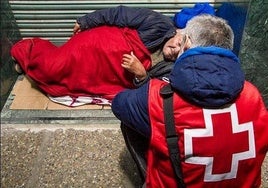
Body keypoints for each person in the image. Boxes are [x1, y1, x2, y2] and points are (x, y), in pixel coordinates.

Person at [112, 14, 268, 187]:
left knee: (135, 121)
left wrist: (143, 80)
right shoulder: (252, 94)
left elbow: (119, 104)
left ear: (186, 43)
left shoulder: (160, 96)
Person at [11, 6, 184, 106]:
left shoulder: (172, 69)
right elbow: (118, 14)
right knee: (52, 68)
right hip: (92, 47)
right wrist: (85, 21)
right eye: (180, 41)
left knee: (68, 83)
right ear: (179, 32)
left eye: (183, 50)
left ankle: (32, 61)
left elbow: (152, 94)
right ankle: (28, 49)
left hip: (102, 75)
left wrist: (141, 75)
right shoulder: (159, 23)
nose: (177, 49)